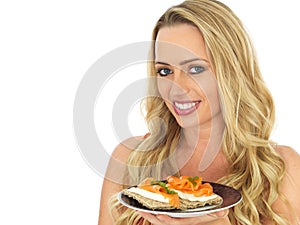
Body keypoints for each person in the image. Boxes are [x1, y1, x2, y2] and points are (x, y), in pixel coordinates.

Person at [98, 0, 300, 224]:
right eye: (165, 71)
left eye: (196, 69)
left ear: (231, 71)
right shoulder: (129, 158)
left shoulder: (280, 168)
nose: (176, 88)